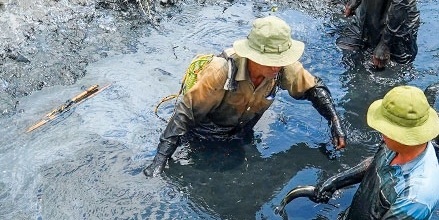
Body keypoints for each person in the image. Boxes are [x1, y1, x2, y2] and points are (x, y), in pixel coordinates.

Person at [143, 16, 346, 176]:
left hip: (241, 132)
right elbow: (184, 115)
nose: (277, 66)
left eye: (281, 60)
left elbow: (313, 88)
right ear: (251, 56)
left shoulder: (282, 68)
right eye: (270, 60)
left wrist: (334, 121)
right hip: (203, 134)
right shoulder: (220, 71)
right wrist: (159, 162)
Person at [289, 85, 439, 220]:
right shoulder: (398, 143)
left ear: (405, 136)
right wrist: (335, 182)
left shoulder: (416, 196)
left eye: (387, 130)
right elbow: (375, 162)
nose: (381, 132)